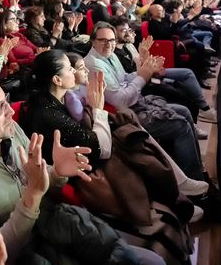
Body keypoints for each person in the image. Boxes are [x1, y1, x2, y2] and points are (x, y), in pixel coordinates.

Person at [0, 76, 164, 265]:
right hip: (28, 253)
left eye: (6, 101)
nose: (10, 111)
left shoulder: (8, 130)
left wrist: (57, 171)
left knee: (150, 260)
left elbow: (40, 178)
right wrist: (33, 196)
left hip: (57, 226)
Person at [19, 51, 196, 263]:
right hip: (81, 174)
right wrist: (98, 108)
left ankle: (176, 189)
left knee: (133, 139)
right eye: (69, 68)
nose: (75, 72)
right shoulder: (49, 114)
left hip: (85, 161)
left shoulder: (57, 99)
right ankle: (171, 195)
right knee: (133, 150)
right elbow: (102, 148)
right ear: (56, 79)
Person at [85, 22, 206, 179]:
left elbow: (125, 78)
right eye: (103, 40)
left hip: (135, 105)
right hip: (122, 118)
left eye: (112, 40)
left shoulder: (110, 55)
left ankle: (196, 168)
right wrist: (143, 76)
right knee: (181, 125)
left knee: (184, 110)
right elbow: (120, 101)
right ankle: (194, 180)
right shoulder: (94, 64)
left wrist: (144, 70)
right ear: (93, 41)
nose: (109, 44)